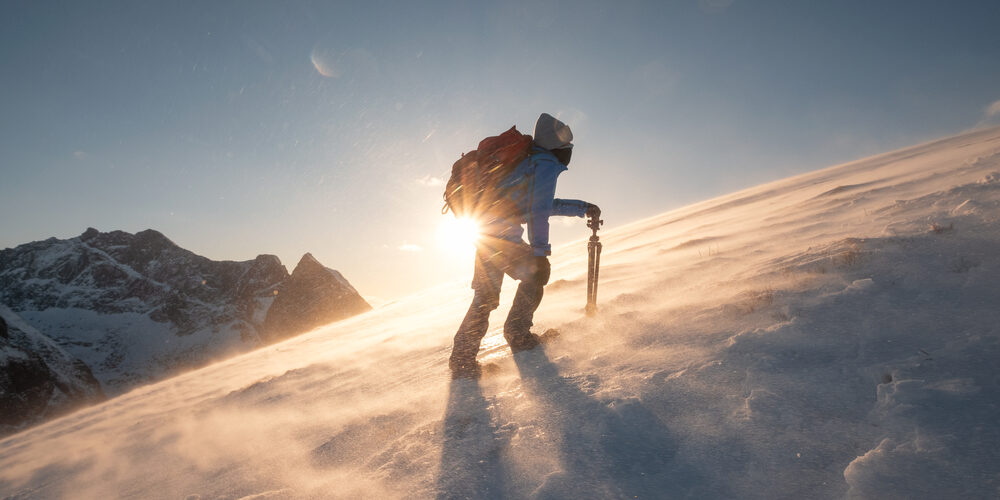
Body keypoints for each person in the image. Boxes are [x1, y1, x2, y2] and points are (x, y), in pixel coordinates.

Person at [449, 113, 600, 379]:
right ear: (557, 144)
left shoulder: (528, 162)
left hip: (484, 234)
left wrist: (582, 208)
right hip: (500, 236)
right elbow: (538, 211)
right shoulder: (545, 162)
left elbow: (537, 204)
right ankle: (518, 334)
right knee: (536, 275)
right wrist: (540, 254)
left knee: (485, 298)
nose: (570, 148)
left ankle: (462, 359)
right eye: (567, 143)